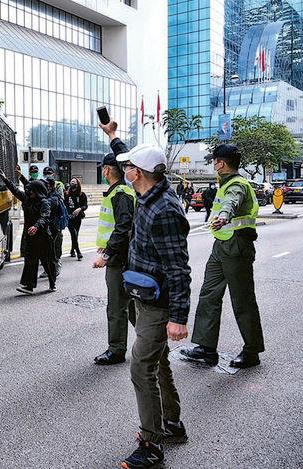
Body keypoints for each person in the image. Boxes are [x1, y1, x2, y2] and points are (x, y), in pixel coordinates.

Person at [101, 121, 192, 469]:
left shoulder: (164, 209)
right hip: (143, 292)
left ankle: (152, 445)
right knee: (158, 361)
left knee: (141, 367)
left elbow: (179, 267)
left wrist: (179, 316)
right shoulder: (148, 193)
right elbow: (127, 155)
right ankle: (171, 423)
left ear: (137, 173)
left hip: (157, 301)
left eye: (128, 167)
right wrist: (112, 136)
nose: (124, 170)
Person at [181, 144, 264, 369]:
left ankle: (252, 351)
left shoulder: (236, 185)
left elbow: (231, 201)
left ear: (220, 163)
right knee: (209, 294)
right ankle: (206, 348)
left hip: (237, 246)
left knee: (243, 299)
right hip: (221, 246)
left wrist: (224, 216)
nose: (213, 164)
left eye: (214, 160)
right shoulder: (226, 183)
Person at [91, 153, 136, 366]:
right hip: (121, 256)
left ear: (107, 170)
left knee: (117, 306)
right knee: (133, 303)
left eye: (103, 169)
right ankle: (154, 340)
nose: (102, 172)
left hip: (119, 259)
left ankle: (117, 350)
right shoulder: (119, 192)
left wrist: (106, 255)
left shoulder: (121, 193)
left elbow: (123, 227)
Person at [1, 170, 56, 294]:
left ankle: (52, 283)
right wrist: (5, 180)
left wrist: (36, 226)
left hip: (43, 238)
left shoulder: (44, 203)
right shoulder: (27, 199)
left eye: (30, 190)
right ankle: (29, 286)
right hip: (31, 237)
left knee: (47, 262)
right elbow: (15, 190)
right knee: (30, 262)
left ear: (36, 191)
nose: (28, 191)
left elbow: (45, 217)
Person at [43, 177, 67, 281]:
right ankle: (50, 269)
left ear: (51, 186)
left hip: (55, 227)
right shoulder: (47, 195)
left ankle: (56, 267)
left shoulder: (54, 198)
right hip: (50, 227)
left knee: (53, 249)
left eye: (46, 184)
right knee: (48, 249)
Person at [64, 178, 88, 260]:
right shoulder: (67, 194)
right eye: (71, 182)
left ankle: (72, 250)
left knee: (75, 235)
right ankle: (78, 252)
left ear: (77, 184)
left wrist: (80, 209)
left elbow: (85, 205)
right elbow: (64, 205)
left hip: (77, 218)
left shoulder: (81, 194)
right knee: (73, 234)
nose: (71, 183)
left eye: (73, 182)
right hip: (69, 218)